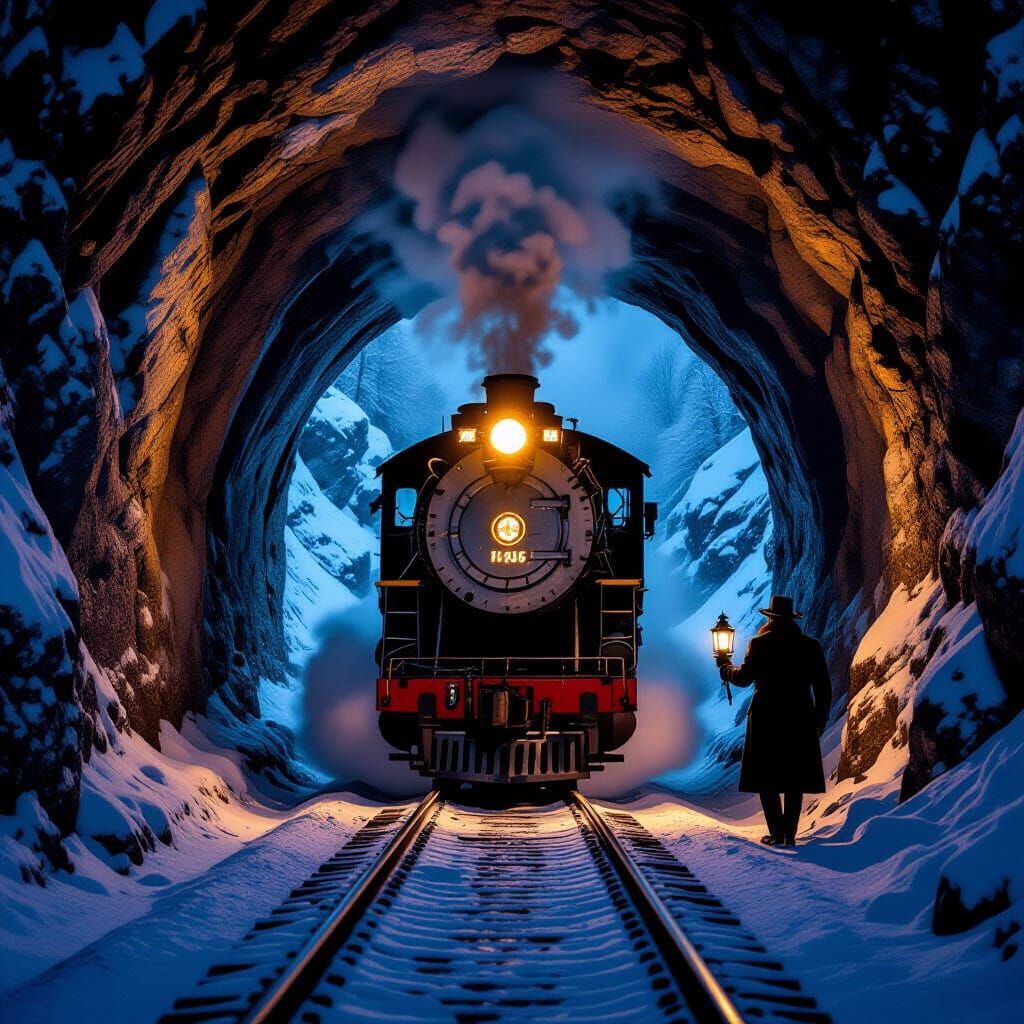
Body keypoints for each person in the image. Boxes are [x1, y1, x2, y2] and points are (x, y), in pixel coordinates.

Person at [719, 594, 831, 847]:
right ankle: (789, 834)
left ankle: (777, 833)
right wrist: (819, 719)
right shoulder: (810, 646)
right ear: (792, 619)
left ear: (770, 618)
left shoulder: (759, 644)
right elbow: (823, 687)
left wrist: (726, 668)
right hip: (800, 716)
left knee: (766, 776)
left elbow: (744, 678)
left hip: (766, 716)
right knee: (795, 778)